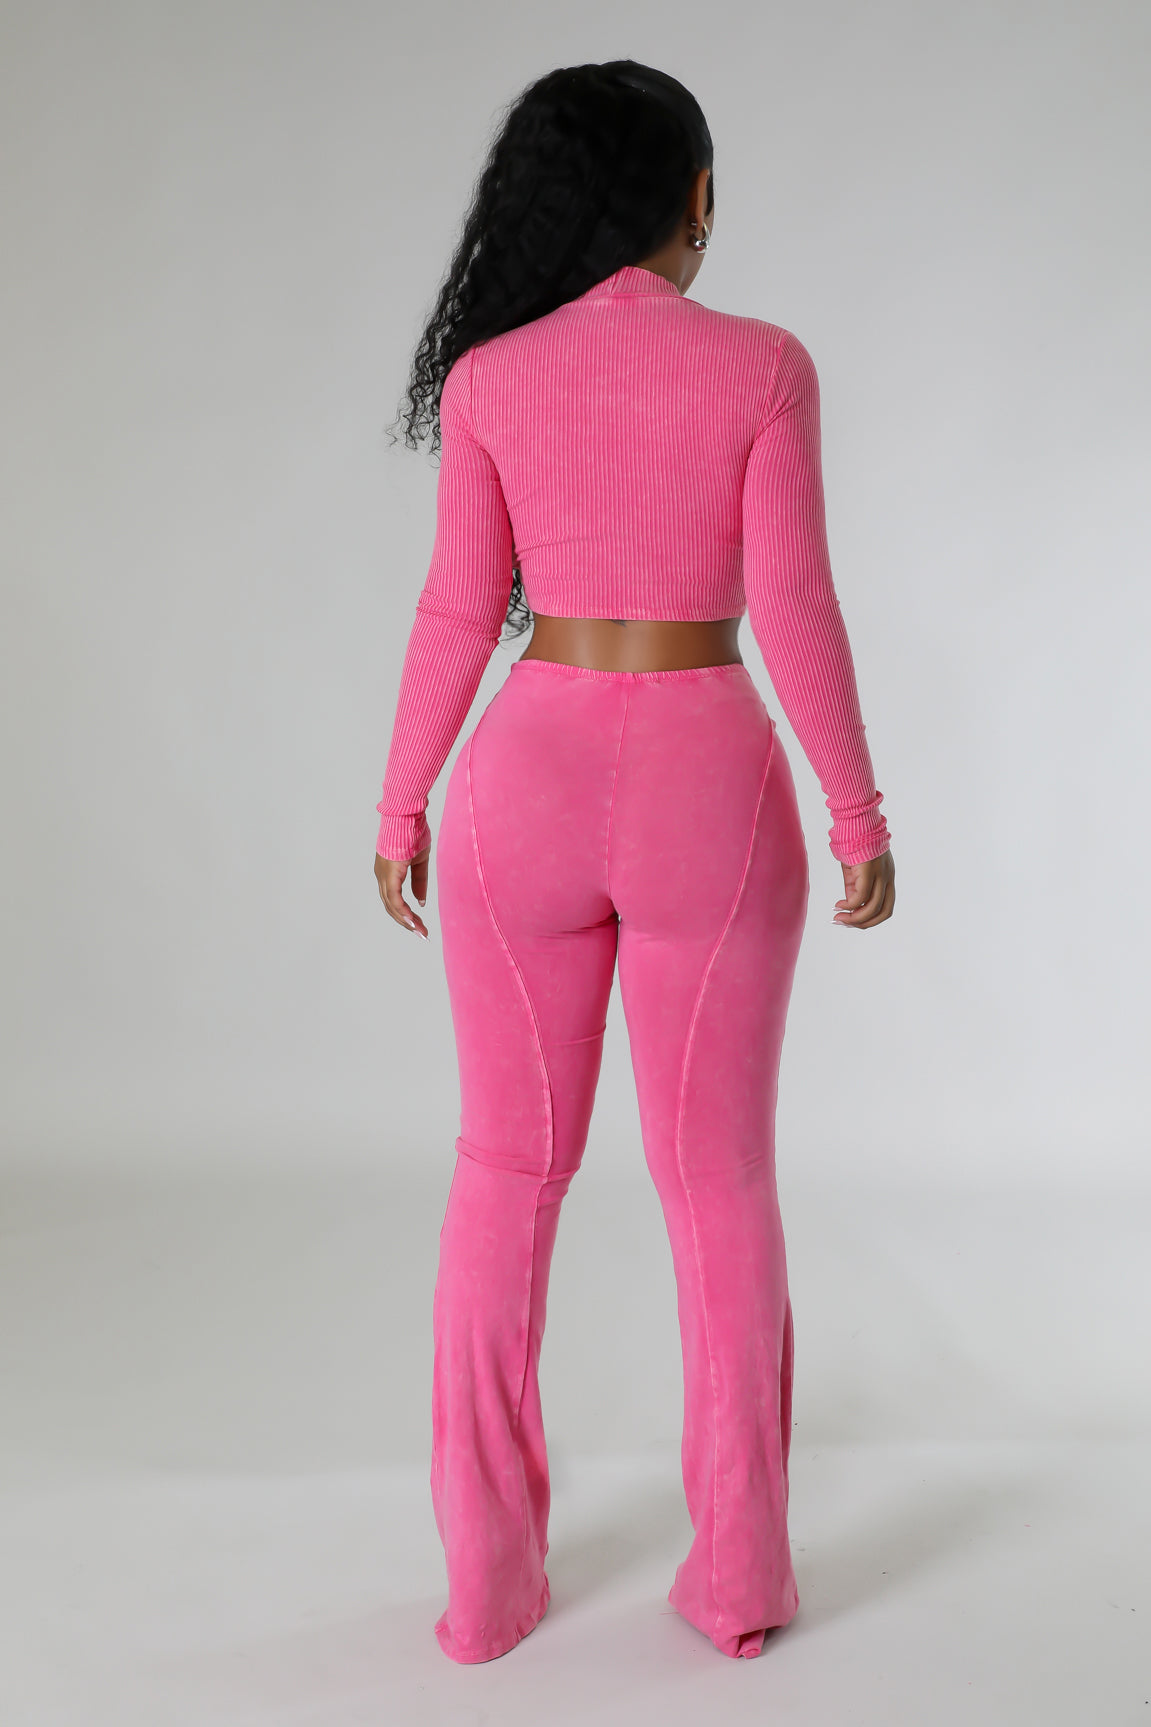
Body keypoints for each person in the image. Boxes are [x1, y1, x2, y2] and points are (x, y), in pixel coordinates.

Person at [372, 58, 896, 1666]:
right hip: (709, 789)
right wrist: (859, 812)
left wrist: (400, 804)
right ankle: (737, 1579)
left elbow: (458, 606)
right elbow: (792, 602)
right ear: (697, 200)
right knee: (718, 1184)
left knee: (502, 1173)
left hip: (519, 785)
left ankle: (486, 1588)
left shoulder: (492, 379)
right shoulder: (765, 367)